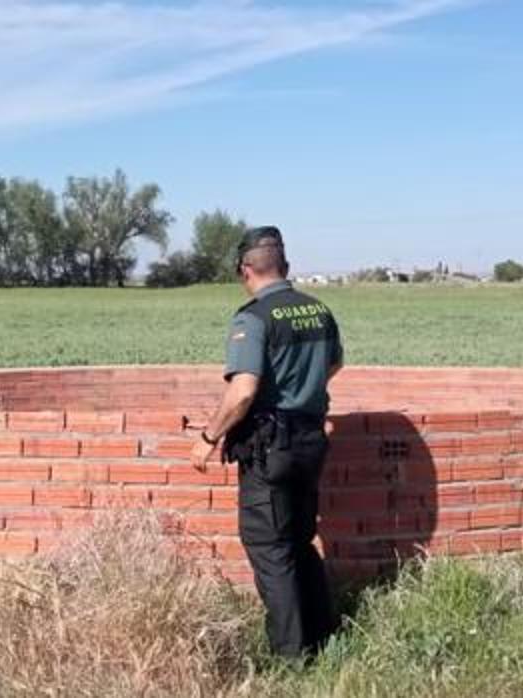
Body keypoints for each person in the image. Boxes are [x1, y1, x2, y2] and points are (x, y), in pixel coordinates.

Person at [190, 226, 343, 658]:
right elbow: (336, 363)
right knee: (298, 540)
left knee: (269, 548)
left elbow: (242, 392)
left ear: (245, 270)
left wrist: (207, 437)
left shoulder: (253, 318)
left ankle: (291, 656)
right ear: (286, 267)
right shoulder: (319, 310)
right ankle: (324, 636)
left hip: (270, 449)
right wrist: (302, 393)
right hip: (310, 440)